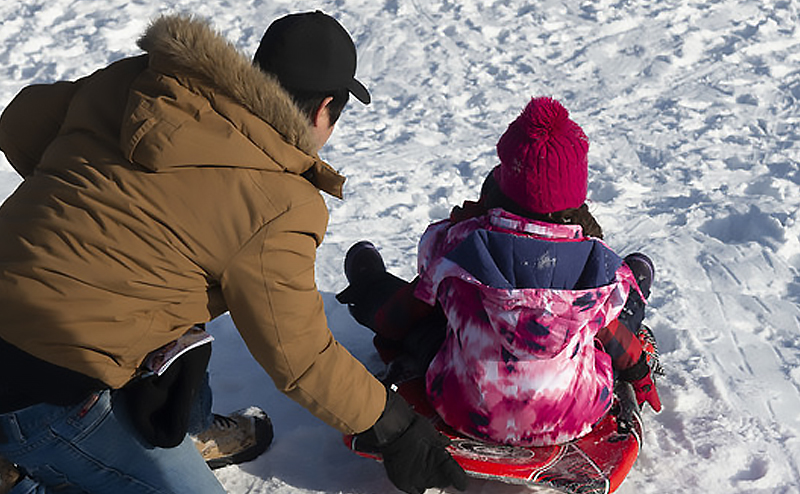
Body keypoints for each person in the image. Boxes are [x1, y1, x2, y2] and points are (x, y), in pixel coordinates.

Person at [0, 10, 466, 494]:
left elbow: (18, 122)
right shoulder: (278, 203)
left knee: (179, 297)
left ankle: (190, 429)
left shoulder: (146, 83)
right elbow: (300, 356)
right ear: (324, 108)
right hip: (40, 393)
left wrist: (84, 203)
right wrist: (395, 427)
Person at [337, 96, 662, 448]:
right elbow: (614, 338)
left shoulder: (461, 246)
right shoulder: (596, 267)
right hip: (570, 413)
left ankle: (368, 281)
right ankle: (638, 286)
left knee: (431, 315)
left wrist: (383, 316)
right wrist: (638, 372)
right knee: (613, 313)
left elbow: (407, 311)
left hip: (463, 405)